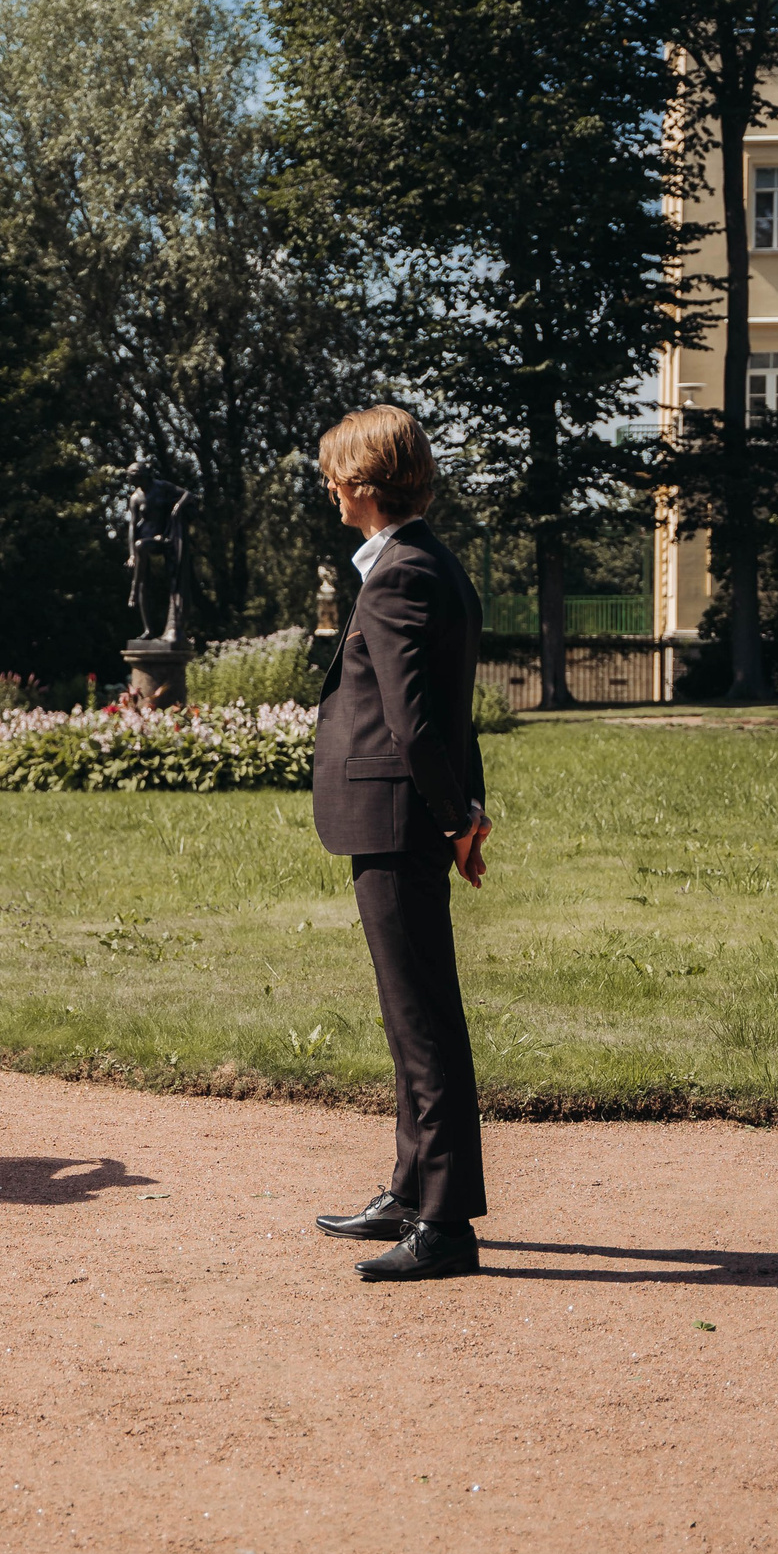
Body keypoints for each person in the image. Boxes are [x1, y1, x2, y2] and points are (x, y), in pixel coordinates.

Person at [305, 406, 492, 1281]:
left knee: (422, 1021)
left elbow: (419, 725)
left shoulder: (401, 576)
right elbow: (453, 711)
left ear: (366, 487)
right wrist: (467, 808)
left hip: (398, 817)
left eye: (335, 476)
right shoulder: (427, 564)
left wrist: (456, 817)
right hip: (411, 815)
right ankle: (413, 1186)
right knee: (408, 1011)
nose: (329, 489)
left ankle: (447, 1224)